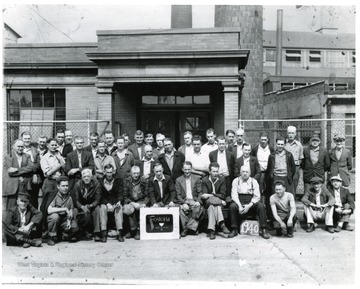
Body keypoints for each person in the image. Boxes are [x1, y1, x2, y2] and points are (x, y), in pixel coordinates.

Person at [228, 166, 269, 239]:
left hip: (251, 201)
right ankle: (234, 229)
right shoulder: (236, 181)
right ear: (240, 173)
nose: (245, 174)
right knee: (232, 206)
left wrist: (249, 206)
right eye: (243, 172)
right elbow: (234, 195)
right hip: (239, 200)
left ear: (250, 173)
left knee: (261, 206)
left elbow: (257, 196)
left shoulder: (254, 181)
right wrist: (240, 206)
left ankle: (264, 229)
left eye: (247, 172)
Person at [39, 138, 66, 237]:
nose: (54, 147)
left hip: (59, 182)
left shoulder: (59, 155)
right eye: (52, 145)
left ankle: (58, 231)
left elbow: (65, 168)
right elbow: (48, 173)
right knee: (47, 206)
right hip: (50, 182)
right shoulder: (45, 157)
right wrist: (58, 165)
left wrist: (60, 161)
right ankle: (44, 230)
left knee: (59, 203)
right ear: (47, 145)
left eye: (55, 145)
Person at [200, 162, 230, 240]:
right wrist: (219, 200)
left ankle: (212, 230)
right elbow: (204, 196)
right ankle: (222, 224)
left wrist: (211, 195)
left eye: (217, 171)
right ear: (209, 172)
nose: (216, 173)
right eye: (214, 171)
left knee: (213, 206)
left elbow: (223, 195)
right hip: (208, 201)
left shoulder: (222, 179)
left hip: (213, 203)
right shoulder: (204, 180)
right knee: (212, 203)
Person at [46, 176, 79, 246]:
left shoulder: (69, 196)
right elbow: (49, 210)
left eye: (67, 186)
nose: (65, 188)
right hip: (54, 219)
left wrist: (69, 221)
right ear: (58, 186)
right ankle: (51, 237)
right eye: (63, 186)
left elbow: (71, 209)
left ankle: (63, 235)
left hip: (64, 219)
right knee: (55, 216)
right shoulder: (54, 195)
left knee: (74, 227)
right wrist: (64, 209)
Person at [73, 169, 103, 241]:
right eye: (84, 176)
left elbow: (98, 199)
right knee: (75, 210)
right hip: (81, 205)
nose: (86, 178)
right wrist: (81, 206)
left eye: (88, 176)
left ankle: (97, 233)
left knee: (97, 209)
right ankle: (75, 233)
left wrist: (91, 205)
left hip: (92, 204)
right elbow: (76, 199)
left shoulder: (97, 184)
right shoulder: (77, 184)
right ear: (82, 178)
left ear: (91, 177)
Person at [175, 161, 203, 237]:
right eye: (185, 169)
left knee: (199, 208)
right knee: (180, 209)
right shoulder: (178, 180)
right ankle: (192, 228)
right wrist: (183, 203)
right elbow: (178, 195)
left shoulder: (196, 178)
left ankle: (187, 229)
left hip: (194, 200)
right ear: (182, 169)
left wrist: (198, 201)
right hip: (184, 200)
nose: (187, 171)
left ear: (191, 169)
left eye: (189, 169)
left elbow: (200, 192)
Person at [4, 139, 34, 210]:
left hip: (24, 184)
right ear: (13, 147)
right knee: (11, 208)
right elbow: (11, 173)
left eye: (22, 146)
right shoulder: (8, 157)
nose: (20, 148)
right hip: (12, 185)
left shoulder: (27, 156)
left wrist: (17, 169)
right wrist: (24, 170)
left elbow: (31, 168)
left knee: (24, 206)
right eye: (18, 146)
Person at [99, 164, 125, 242]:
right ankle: (103, 233)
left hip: (115, 201)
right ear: (104, 172)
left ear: (113, 172)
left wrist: (118, 202)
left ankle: (120, 233)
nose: (109, 174)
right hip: (105, 203)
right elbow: (100, 196)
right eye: (107, 172)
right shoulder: (100, 182)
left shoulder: (118, 180)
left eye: (111, 172)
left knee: (119, 208)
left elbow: (120, 193)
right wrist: (107, 204)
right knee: (102, 208)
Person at [123, 165, 149, 240]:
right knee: (128, 210)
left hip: (141, 201)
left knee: (142, 209)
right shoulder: (126, 181)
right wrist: (132, 203)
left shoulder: (144, 181)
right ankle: (131, 230)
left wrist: (144, 203)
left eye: (137, 173)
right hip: (130, 202)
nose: (136, 175)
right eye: (134, 173)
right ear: (131, 173)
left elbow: (147, 195)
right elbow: (125, 196)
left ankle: (138, 230)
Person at [209, 136, 235, 203]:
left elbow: (232, 167)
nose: (221, 145)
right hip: (217, 178)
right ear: (217, 144)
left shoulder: (231, 154)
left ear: (225, 144)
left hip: (227, 178)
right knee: (218, 196)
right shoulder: (212, 154)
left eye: (223, 144)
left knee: (228, 198)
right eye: (220, 144)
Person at [21, 131, 42, 209]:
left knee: (33, 199)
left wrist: (33, 172)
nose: (27, 140)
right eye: (25, 138)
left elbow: (38, 164)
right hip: (23, 177)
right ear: (22, 139)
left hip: (33, 177)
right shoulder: (20, 149)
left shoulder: (35, 150)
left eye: (28, 138)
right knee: (23, 198)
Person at [284, 126, 304, 195]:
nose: (291, 135)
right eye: (289, 133)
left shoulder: (299, 145)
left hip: (295, 167)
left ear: (295, 134)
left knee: (294, 184)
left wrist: (297, 167)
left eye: (292, 133)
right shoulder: (284, 144)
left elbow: (301, 157)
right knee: (285, 185)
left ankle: (292, 201)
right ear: (287, 134)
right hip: (285, 167)